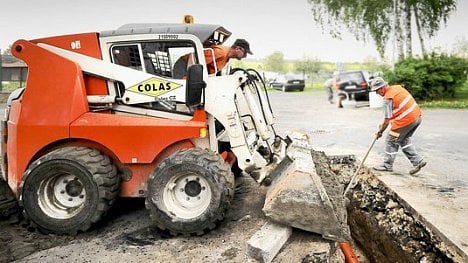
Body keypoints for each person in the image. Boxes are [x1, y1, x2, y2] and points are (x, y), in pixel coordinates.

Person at [370, 77, 427, 175]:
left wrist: (380, 132)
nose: (377, 94)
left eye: (376, 91)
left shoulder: (387, 99)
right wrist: (382, 126)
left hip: (406, 121)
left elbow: (387, 120)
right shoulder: (397, 88)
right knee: (403, 139)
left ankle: (387, 165)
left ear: (381, 88)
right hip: (417, 118)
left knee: (391, 139)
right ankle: (417, 161)